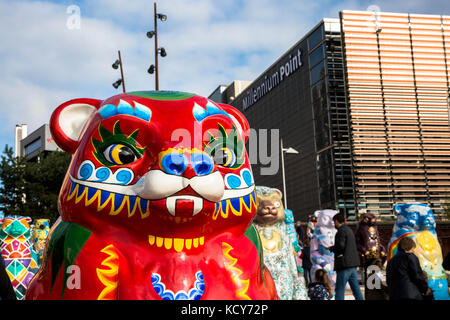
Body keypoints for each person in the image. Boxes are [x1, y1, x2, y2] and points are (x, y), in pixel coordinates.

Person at [328, 213, 364, 300]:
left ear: (336, 221)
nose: (334, 224)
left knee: (340, 288)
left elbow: (341, 246)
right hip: (353, 264)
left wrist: (331, 248)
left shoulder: (341, 231)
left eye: (334, 222)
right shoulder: (349, 230)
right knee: (356, 289)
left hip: (344, 264)